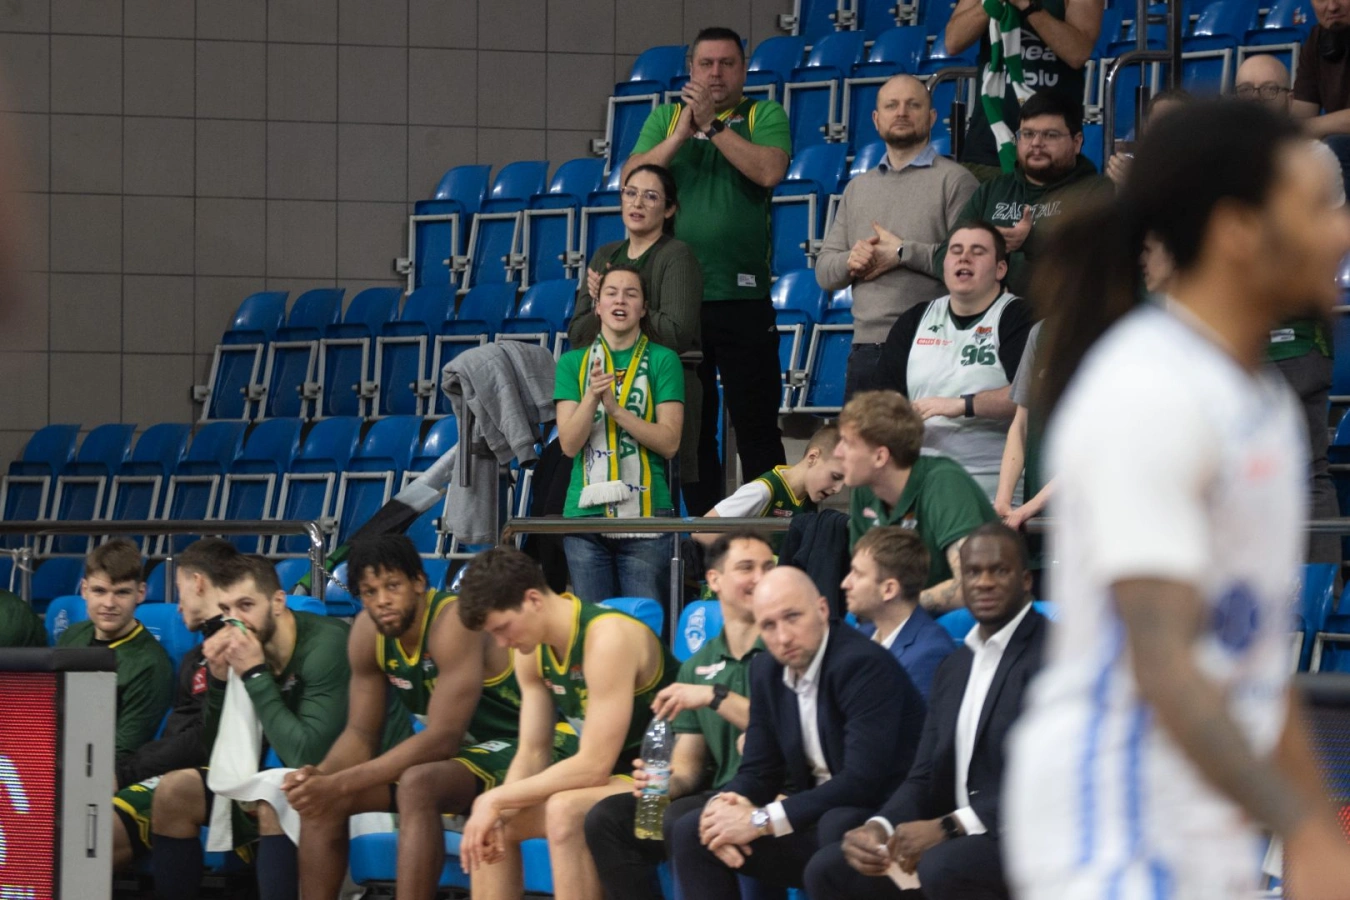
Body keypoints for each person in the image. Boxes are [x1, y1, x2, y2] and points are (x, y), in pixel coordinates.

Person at [1004, 101, 1350, 898]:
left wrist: (1316, 830)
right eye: (1316, 208)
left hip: (1202, 813)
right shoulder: (1149, 389)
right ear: (1238, 231)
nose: (1340, 230)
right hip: (1111, 814)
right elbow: (1163, 661)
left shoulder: (1262, 400)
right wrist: (1306, 828)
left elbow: (1255, 666)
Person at [805, 522, 1048, 900]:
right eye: (972, 572)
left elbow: (1045, 779)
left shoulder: (1053, 652)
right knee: (831, 869)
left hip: (1027, 836)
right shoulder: (956, 666)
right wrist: (880, 826)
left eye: (999, 571)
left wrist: (949, 826)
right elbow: (924, 775)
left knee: (941, 864)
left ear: (1026, 580)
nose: (984, 582)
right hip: (957, 836)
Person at [281, 534, 526, 900]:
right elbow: (361, 734)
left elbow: (442, 738)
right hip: (464, 760)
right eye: (369, 592)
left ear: (419, 582)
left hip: (523, 745)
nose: (382, 600)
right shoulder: (367, 632)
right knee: (321, 800)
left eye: (392, 586)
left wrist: (341, 782)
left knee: (417, 784)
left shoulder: (453, 621)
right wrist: (321, 777)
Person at [667, 566, 926, 897]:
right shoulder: (766, 670)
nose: (783, 637)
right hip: (818, 816)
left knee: (836, 823)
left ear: (822, 609)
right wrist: (722, 810)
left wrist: (759, 820)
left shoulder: (861, 664)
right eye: (768, 626)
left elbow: (862, 781)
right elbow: (759, 771)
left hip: (881, 818)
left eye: (793, 617)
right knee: (694, 830)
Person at [626, 26, 791, 514]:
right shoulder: (666, 118)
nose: (716, 73)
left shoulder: (763, 114)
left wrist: (714, 126)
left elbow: (770, 171)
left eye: (727, 63)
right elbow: (632, 178)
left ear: (743, 70)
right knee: (692, 431)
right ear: (691, 69)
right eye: (706, 64)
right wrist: (683, 131)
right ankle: (705, 539)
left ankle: (773, 536)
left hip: (743, 299)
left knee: (757, 427)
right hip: (678, 301)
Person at [453, 546, 678, 900]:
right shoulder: (530, 651)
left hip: (668, 779)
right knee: (493, 826)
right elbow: (532, 752)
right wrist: (496, 808)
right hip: (616, 778)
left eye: (503, 628)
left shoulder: (607, 637)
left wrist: (495, 799)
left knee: (563, 810)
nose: (501, 642)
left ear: (533, 600)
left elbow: (593, 766)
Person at [583, 531, 775, 900]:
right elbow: (689, 768)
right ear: (714, 580)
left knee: (684, 820)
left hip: (776, 796)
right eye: (746, 568)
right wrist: (661, 783)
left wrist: (716, 696)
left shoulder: (788, 646)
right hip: (717, 793)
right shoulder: (698, 665)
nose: (760, 577)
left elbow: (785, 730)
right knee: (607, 819)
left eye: (768, 568)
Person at [148, 555, 351, 900]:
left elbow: (308, 753)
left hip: (350, 775)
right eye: (226, 610)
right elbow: (214, 751)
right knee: (173, 793)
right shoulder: (246, 647)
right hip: (284, 774)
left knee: (275, 799)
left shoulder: (326, 646)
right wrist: (218, 682)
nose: (236, 622)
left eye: (246, 606)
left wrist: (255, 674)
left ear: (277, 602)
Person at [1238, 52, 1345, 567]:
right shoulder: (1219, 159)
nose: (1258, 99)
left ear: (1289, 98)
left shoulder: (1314, 159)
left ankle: (1319, 589)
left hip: (1296, 340)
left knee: (1305, 473)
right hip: (1236, 343)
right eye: (1247, 90)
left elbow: (1327, 248)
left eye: (1270, 89)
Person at [814, 74, 980, 398]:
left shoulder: (957, 181)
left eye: (913, 105)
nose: (901, 112)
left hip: (934, 344)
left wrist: (903, 252)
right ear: (877, 119)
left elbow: (970, 265)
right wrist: (851, 260)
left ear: (931, 117)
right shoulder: (857, 188)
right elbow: (824, 272)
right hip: (866, 351)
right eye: (892, 106)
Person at [568, 163, 704, 495]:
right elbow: (578, 333)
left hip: (661, 383)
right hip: (605, 379)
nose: (637, 203)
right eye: (630, 193)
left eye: (650, 196)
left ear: (669, 209)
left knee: (660, 490)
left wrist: (616, 302)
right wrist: (607, 304)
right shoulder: (605, 254)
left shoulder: (677, 255)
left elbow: (675, 334)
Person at [555, 264, 684, 606]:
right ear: (597, 306)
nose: (620, 301)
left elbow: (670, 443)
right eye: (611, 293)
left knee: (643, 624)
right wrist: (591, 397)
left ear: (643, 308)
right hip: (584, 518)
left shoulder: (664, 360)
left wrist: (615, 410)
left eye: (631, 294)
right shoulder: (572, 363)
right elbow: (569, 445)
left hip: (647, 514)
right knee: (595, 626)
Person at [878, 221, 1035, 498]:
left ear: (1000, 269)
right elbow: (883, 403)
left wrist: (962, 405)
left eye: (978, 251)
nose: (964, 258)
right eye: (956, 250)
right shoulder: (914, 320)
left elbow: (1030, 397)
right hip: (924, 485)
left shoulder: (1018, 317)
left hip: (994, 487)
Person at [112, 538, 240, 872]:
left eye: (180, 591)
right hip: (172, 772)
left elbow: (205, 739)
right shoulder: (195, 657)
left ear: (197, 583)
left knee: (89, 832)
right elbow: (181, 733)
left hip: (213, 776)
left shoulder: (241, 647)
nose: (178, 607)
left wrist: (124, 773)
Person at [938, 91, 1115, 298]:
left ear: (1076, 142)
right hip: (991, 311)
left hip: (1061, 313)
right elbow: (943, 254)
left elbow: (1096, 262)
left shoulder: (1097, 191)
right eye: (1028, 134)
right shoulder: (993, 189)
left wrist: (1030, 240)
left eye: (1050, 135)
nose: (1036, 143)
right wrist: (987, 278)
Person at [837, 390, 998, 614]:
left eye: (847, 443)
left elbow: (972, 586)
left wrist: (895, 607)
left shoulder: (944, 482)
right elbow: (863, 581)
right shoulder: (864, 490)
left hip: (967, 620)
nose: (837, 452)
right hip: (903, 617)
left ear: (880, 457)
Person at [944, 0, 1103, 177]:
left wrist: (1028, 6)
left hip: (1051, 151)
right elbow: (952, 42)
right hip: (988, 145)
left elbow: (1078, 53)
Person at [57, 539, 173, 764]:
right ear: (84, 590)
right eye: (99, 591)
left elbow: (123, 750)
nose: (109, 603)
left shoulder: (151, 664)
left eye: (122, 593)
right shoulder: (72, 635)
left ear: (140, 593)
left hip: (96, 768)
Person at [842, 526, 956, 701]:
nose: (845, 583)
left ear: (889, 589)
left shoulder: (929, 654)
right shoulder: (861, 636)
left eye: (857, 574)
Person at [692, 424, 845, 547]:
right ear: (813, 457)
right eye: (836, 476)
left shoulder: (809, 499)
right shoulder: (762, 491)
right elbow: (701, 532)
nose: (837, 489)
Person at [1293, 0, 1350, 189]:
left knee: (1336, 147)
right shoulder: (1317, 39)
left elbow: (1302, 126)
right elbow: (1300, 117)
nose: (1332, 6)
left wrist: (1311, 127)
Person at [1103, 87, 1191, 186]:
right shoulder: (1130, 168)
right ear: (1145, 128)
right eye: (1158, 123)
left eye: (1175, 125)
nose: (1165, 132)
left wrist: (1135, 181)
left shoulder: (1199, 173)